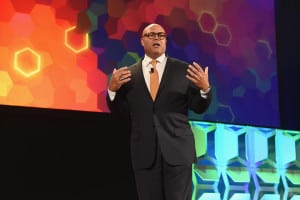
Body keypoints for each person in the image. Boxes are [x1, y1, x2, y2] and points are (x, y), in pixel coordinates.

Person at [106, 23, 212, 200]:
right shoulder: (128, 75)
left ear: (165, 41)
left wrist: (205, 89)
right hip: (145, 154)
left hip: (178, 152)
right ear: (142, 41)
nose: (157, 38)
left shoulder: (183, 70)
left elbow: (198, 107)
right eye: (151, 35)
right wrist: (112, 90)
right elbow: (120, 113)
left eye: (161, 35)